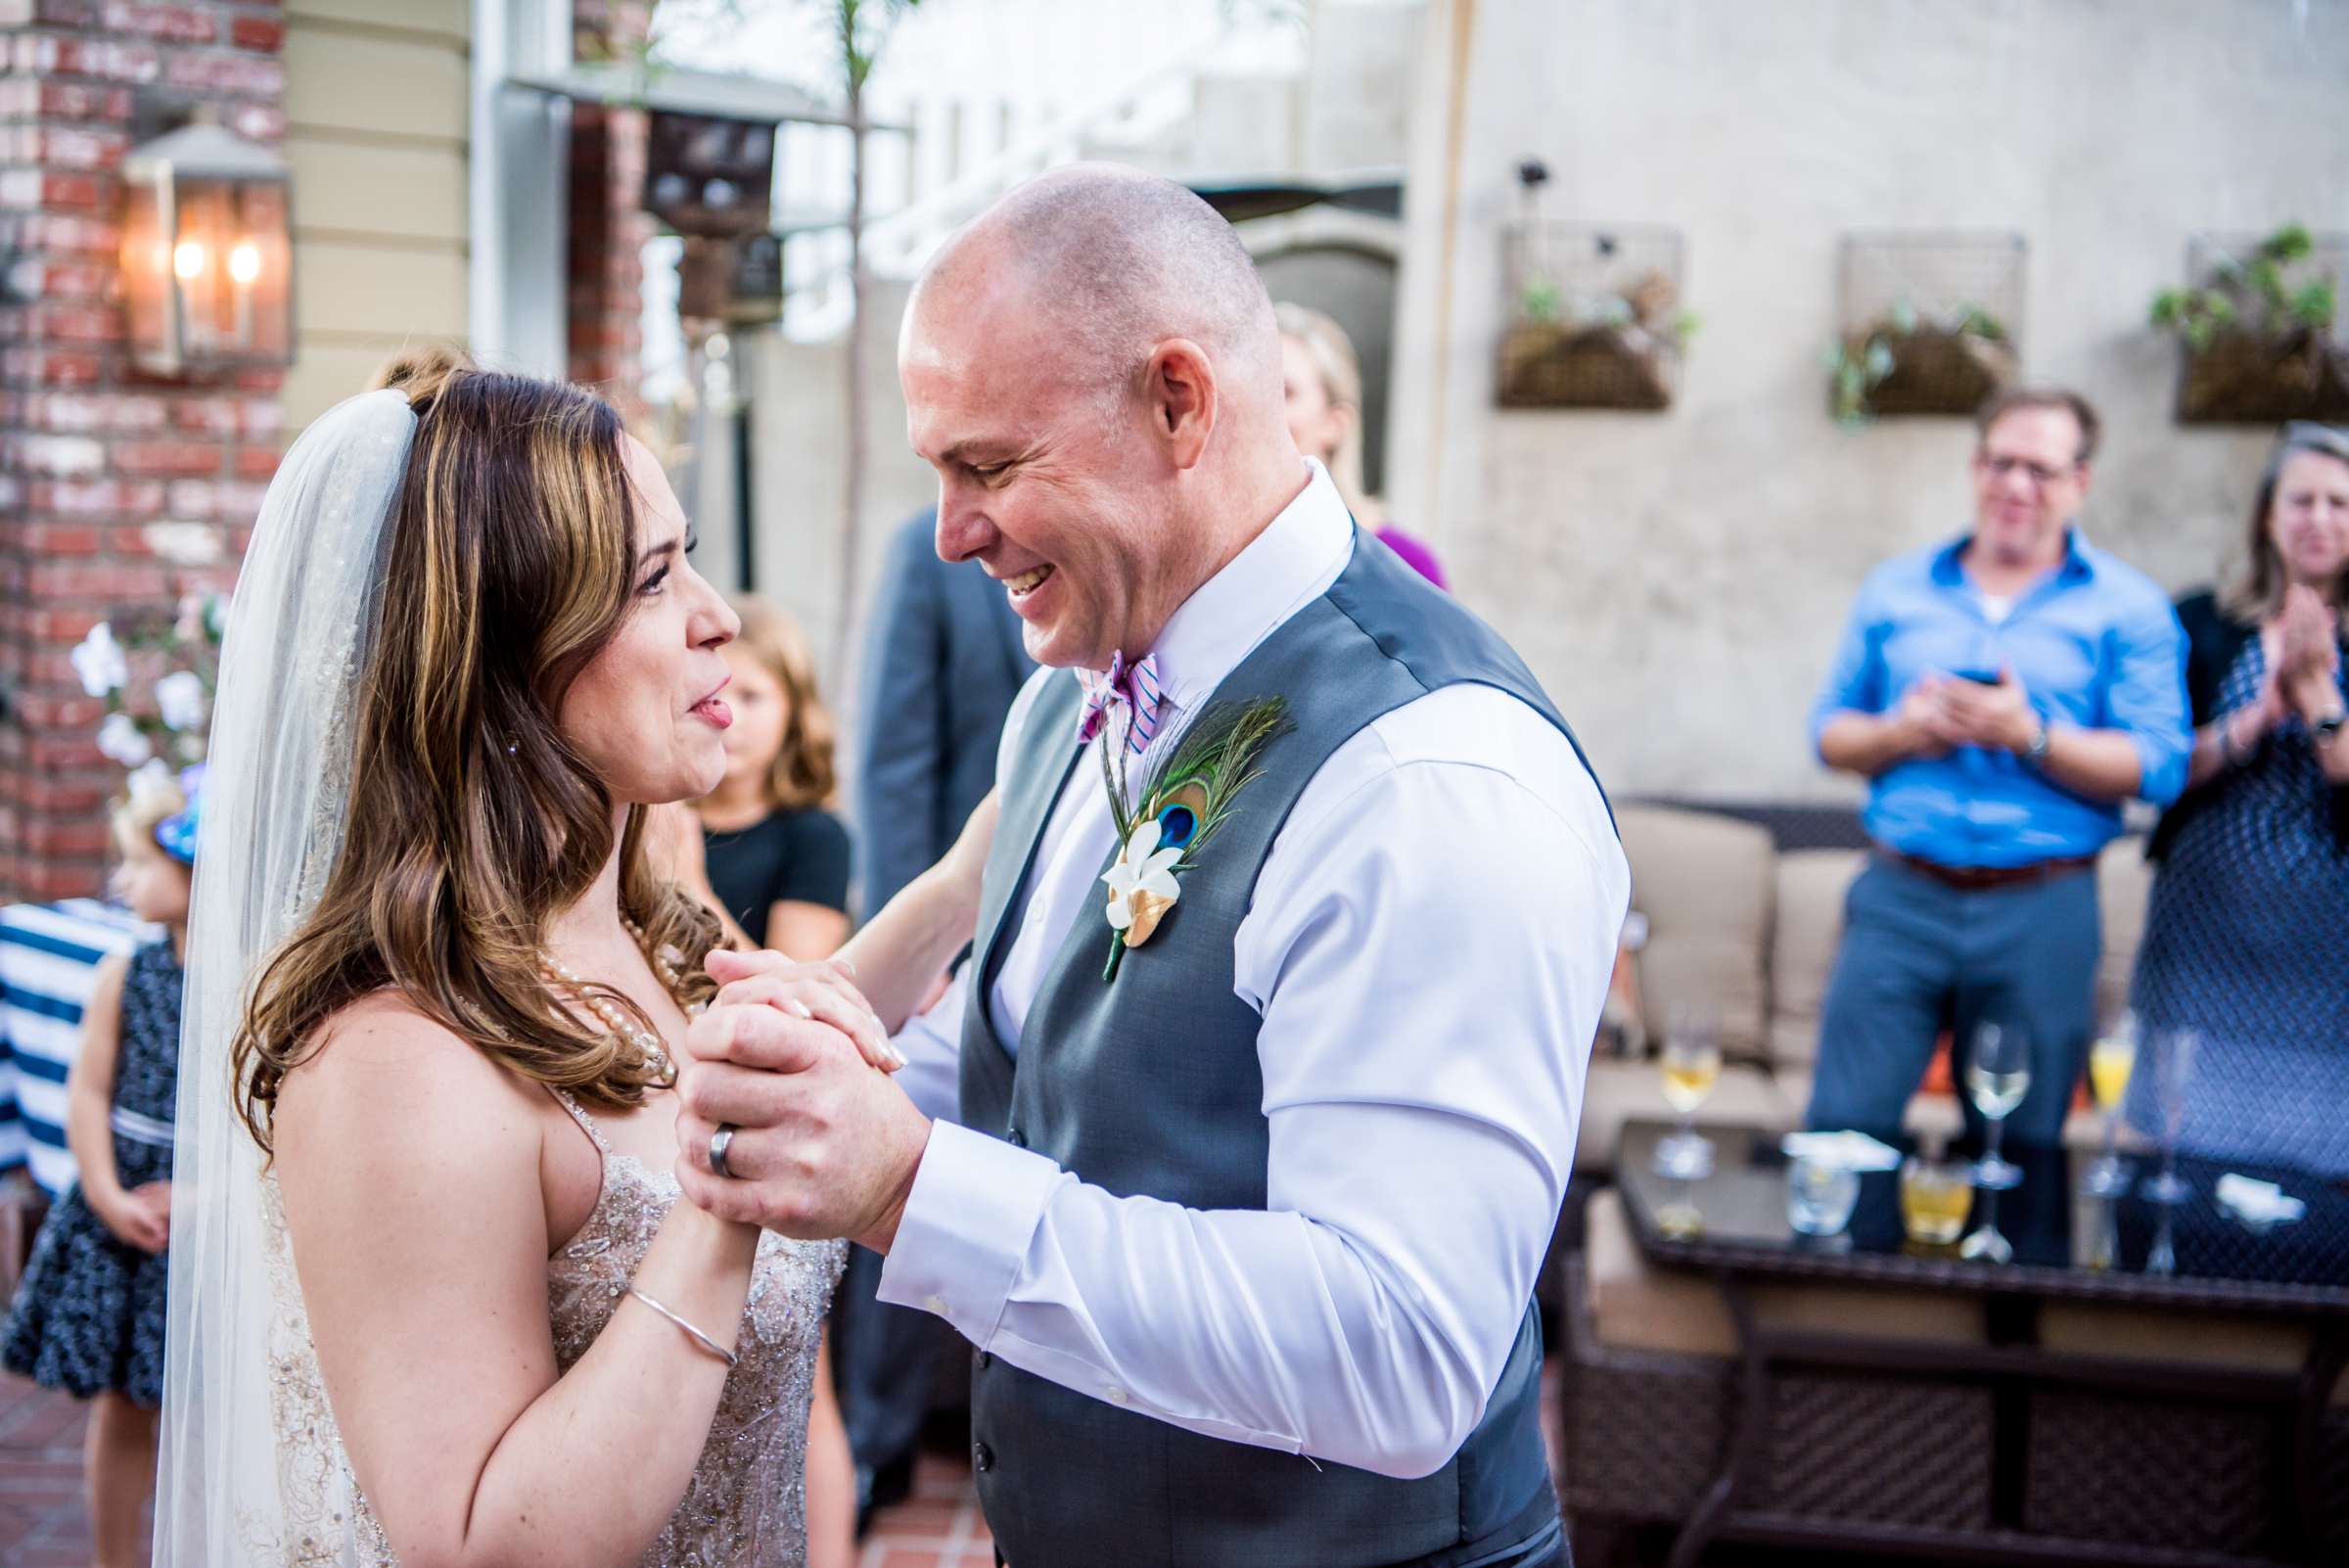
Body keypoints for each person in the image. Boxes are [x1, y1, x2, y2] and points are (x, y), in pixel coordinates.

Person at [672, 164, 1627, 1568]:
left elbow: (1402, 1350)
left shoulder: (1434, 780)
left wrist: (908, 1187)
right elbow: (1032, 1068)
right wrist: (816, 1072)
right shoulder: (1064, 702)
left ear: (1181, 402)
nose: (952, 533)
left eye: (989, 466)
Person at [153, 348, 989, 1568]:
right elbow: (486, 1543)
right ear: (504, 658)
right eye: (653, 581)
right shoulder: (395, 1057)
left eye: (689, 556)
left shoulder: (658, 933)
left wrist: (964, 880)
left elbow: (790, 1047)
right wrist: (727, 1196)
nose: (719, 620)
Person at [1805, 387, 2191, 1148]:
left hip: (2042, 909)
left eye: (2041, 470)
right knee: (1842, 1139)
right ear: (1976, 467)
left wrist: (2031, 736)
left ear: (2080, 482)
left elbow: (2160, 765)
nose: (2016, 486)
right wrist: (1904, 733)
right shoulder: (1896, 588)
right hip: (1898, 898)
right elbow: (1830, 736)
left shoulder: (2131, 608)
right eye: (2001, 463)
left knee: (2017, 1161)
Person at [840, 508, 1033, 1526]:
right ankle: (876, 1443)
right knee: (899, 1155)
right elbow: (896, 758)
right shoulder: (927, 553)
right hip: (949, 945)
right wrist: (923, 952)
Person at [2130, 421, 2349, 1176]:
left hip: (2328, 957)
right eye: (2302, 501)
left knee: (2314, 1177)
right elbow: (2156, 765)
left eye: (2339, 503)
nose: (2319, 519)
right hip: (2202, 937)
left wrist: (2315, 688)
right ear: (2267, 514)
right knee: (2181, 1159)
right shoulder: (2202, 621)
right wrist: (2254, 719)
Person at [4, 774, 198, 1568]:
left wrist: (206, 1199)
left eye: (138, 864)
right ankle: (115, 1558)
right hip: (130, 1204)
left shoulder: (253, 984)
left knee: (205, 1400)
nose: (121, 881)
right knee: (123, 1401)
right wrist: (108, 1193)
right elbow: (87, 1089)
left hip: (203, 1211)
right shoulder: (130, 973)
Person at [695, 595, 852, 955]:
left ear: (794, 711)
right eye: (710, 694)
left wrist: (690, 889)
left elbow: (792, 991)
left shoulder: (815, 839)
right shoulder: (656, 819)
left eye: (751, 697)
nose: (728, 714)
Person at [1275, 300, 1448, 587]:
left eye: (1285, 392)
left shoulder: (1406, 565)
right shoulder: (1221, 551)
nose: (1262, 407)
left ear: (1335, 423)